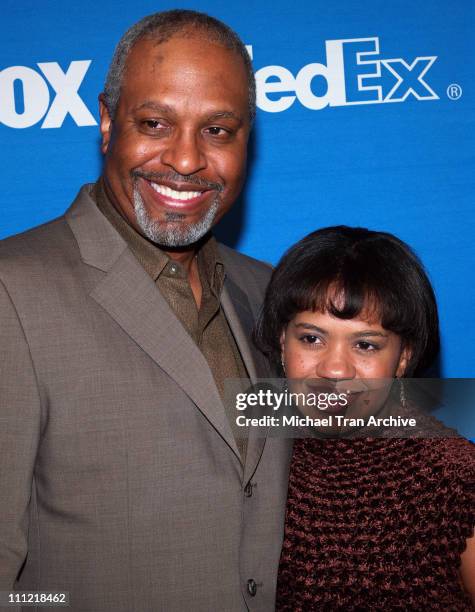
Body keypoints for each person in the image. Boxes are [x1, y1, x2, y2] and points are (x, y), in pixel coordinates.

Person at [0, 10, 292, 612]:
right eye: (155, 122)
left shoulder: (269, 292)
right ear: (107, 123)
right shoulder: (13, 288)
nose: (186, 161)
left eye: (218, 130)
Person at [255, 226, 475, 610]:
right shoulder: (255, 456)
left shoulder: (453, 477)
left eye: (365, 345)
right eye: (312, 338)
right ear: (280, 341)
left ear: (404, 356)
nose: (336, 369)